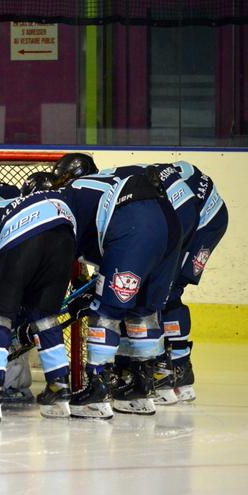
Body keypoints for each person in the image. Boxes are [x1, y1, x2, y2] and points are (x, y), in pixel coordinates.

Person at [39, 153, 182, 418]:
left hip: (135, 224)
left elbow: (65, 250)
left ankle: (97, 390)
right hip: (170, 222)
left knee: (105, 311)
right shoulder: (102, 182)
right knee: (143, 309)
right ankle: (142, 388)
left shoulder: (71, 194)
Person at [91, 161, 228, 403]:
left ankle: (172, 368)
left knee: (167, 290)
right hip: (183, 212)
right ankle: (168, 367)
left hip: (205, 218)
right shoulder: (112, 188)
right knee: (146, 291)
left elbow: (179, 218)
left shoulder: (119, 193)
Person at [0, 175, 78, 421]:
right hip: (65, 241)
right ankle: (59, 386)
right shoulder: (66, 201)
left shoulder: (11, 204)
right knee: (45, 317)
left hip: (24, 235)